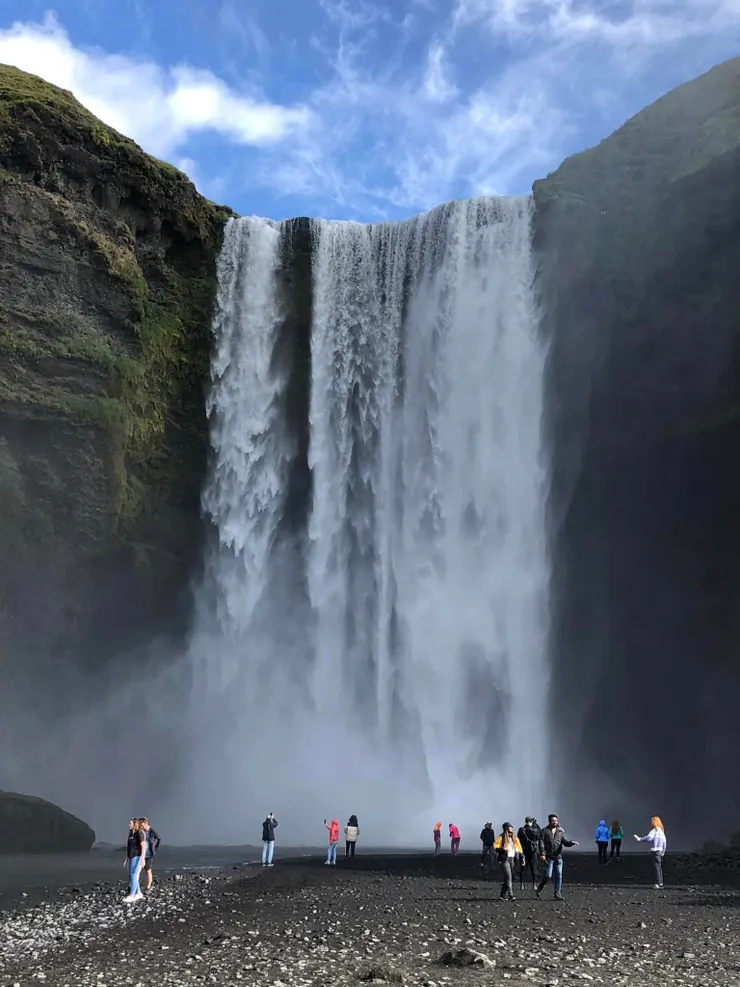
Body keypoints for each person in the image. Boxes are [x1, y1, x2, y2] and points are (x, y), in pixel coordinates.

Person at [536, 814, 579, 900]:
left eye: (556, 821)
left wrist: (571, 843)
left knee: (559, 875)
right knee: (548, 875)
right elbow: (541, 843)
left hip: (558, 857)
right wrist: (542, 854)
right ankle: (540, 887)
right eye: (553, 821)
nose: (555, 822)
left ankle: (557, 894)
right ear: (549, 821)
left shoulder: (560, 831)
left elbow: (565, 842)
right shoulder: (544, 831)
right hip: (549, 857)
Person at [634, 816, 667, 889]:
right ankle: (661, 883)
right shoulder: (662, 832)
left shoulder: (654, 831)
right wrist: (663, 852)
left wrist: (640, 839)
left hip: (655, 851)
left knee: (656, 868)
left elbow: (649, 838)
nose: (651, 823)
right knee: (659, 867)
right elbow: (665, 843)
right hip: (660, 851)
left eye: (652, 822)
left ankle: (657, 884)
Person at [494, 822, 523, 901]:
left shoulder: (515, 838)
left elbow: (519, 848)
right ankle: (511, 895)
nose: (512, 828)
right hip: (504, 859)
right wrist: (503, 849)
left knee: (507, 878)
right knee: (509, 877)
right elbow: (496, 846)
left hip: (512, 859)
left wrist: (522, 858)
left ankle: (502, 895)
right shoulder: (502, 837)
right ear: (506, 828)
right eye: (510, 827)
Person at [122, 817, 147, 903]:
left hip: (137, 856)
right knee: (130, 875)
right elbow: (129, 847)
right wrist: (126, 859)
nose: (128, 825)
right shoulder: (130, 834)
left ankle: (132, 895)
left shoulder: (139, 833)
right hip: (130, 857)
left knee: (134, 875)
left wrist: (143, 859)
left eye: (130, 823)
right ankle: (139, 893)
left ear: (134, 824)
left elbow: (143, 846)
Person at [517, 816, 541, 890]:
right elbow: (538, 837)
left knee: (523, 868)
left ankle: (522, 885)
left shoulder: (521, 830)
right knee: (534, 868)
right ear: (531, 821)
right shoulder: (535, 830)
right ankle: (534, 885)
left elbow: (518, 839)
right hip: (533, 851)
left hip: (523, 851)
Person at [139, 817, 162, 891]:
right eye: (140, 825)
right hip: (141, 854)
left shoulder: (151, 831)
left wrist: (155, 849)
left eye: (142, 825)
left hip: (149, 854)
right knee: (138, 869)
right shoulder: (141, 831)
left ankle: (148, 885)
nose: (141, 827)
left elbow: (159, 838)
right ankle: (136, 885)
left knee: (148, 870)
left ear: (146, 823)